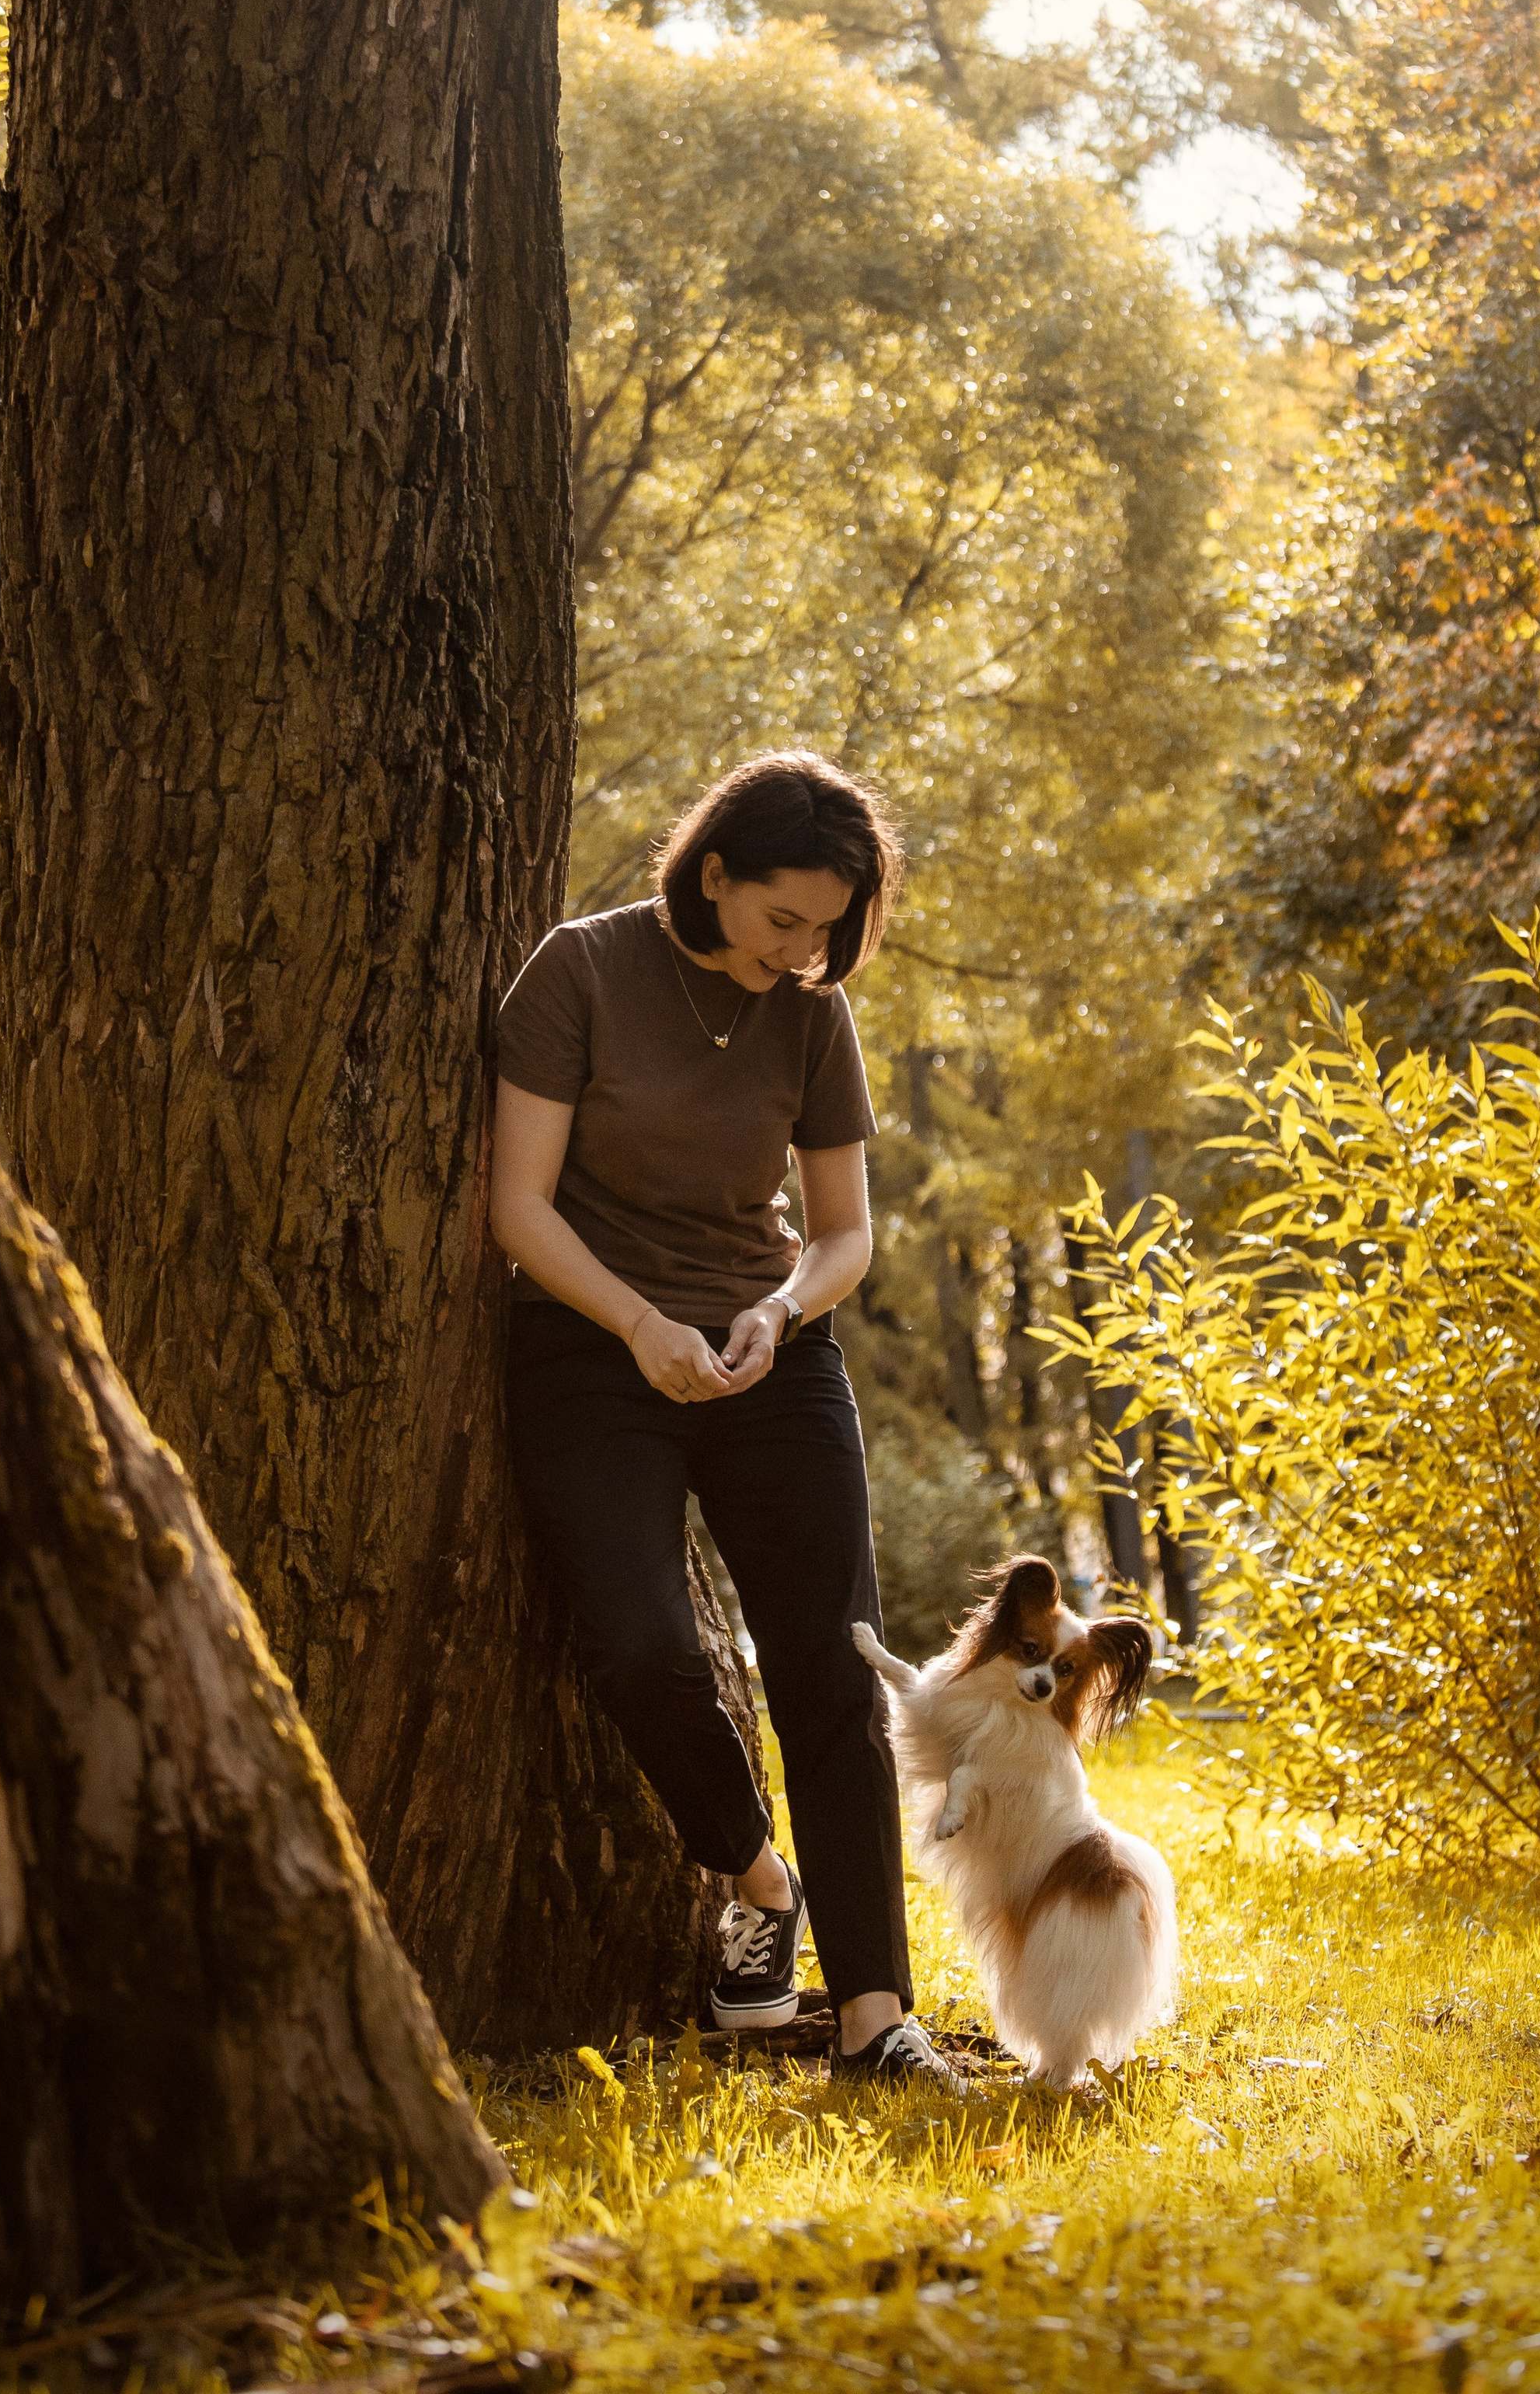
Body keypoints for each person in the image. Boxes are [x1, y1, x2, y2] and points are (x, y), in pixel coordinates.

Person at [490, 750, 960, 2088]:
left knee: (835, 1667)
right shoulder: (579, 972)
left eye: (830, 927)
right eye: (782, 919)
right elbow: (516, 1207)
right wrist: (641, 1325)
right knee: (638, 1649)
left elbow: (845, 1234)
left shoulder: (810, 1013)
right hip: (592, 1347)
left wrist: (781, 1312)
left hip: (772, 1359)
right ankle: (758, 1880)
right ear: (713, 875)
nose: (805, 950)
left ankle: (875, 2016)